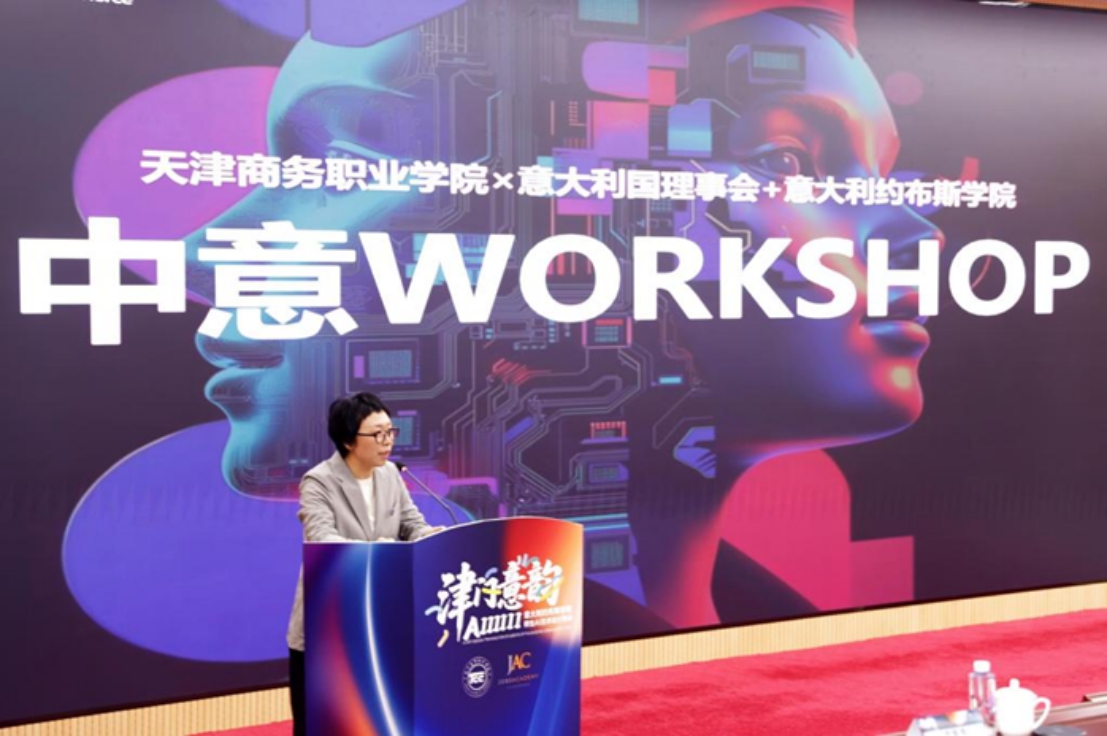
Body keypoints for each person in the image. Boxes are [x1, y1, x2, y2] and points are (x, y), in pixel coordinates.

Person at [286, 392, 440, 736]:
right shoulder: (319, 481)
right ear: (348, 441)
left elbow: (410, 523)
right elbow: (322, 540)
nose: (388, 442)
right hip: (328, 617)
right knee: (319, 723)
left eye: (390, 431)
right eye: (377, 434)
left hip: (378, 619)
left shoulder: (390, 475)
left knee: (374, 718)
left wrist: (429, 535)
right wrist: (380, 550)